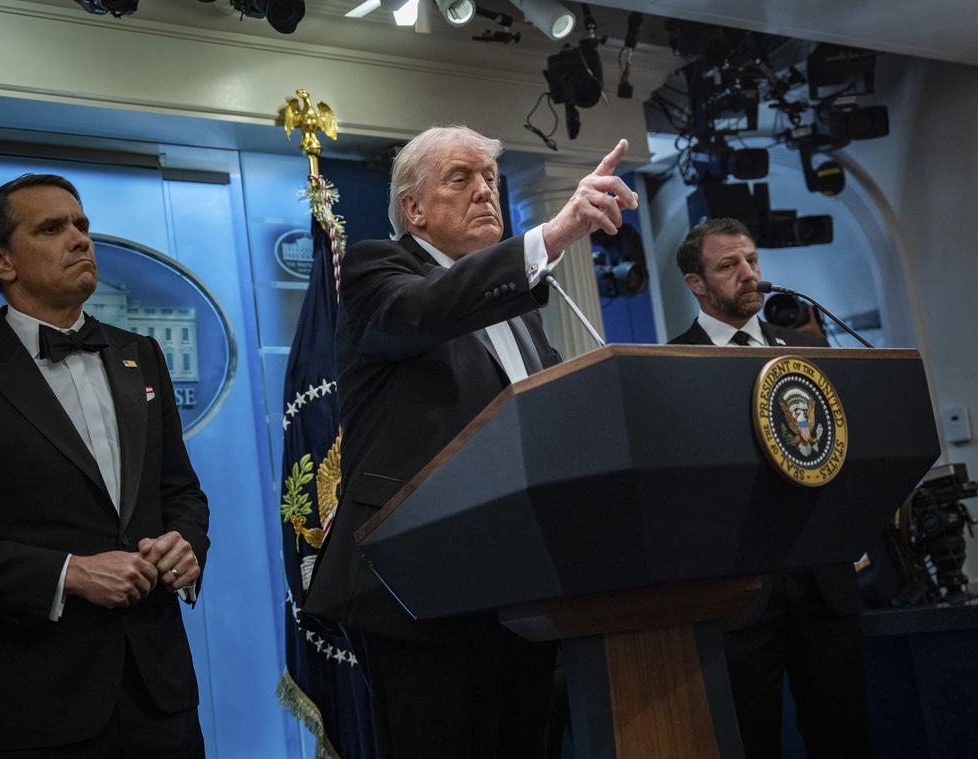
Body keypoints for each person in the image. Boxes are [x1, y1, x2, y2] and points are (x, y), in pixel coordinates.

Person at [304, 125, 638, 758]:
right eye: (461, 179)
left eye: (490, 178)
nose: (486, 191)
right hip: (419, 587)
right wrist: (554, 235)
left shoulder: (517, 305)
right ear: (414, 210)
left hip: (522, 584)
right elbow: (430, 307)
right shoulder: (380, 270)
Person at [0, 174, 210, 758]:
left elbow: (180, 491)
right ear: (1, 260)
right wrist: (70, 574)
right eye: (52, 228)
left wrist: (184, 544)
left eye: (82, 225)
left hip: (159, 698)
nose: (80, 239)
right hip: (30, 707)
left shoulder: (142, 355)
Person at [669, 217, 869, 759]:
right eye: (728, 266)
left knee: (843, 736)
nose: (749, 274)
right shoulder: (673, 364)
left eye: (752, 261)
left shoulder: (806, 347)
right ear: (697, 284)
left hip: (822, 580)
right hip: (740, 588)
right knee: (749, 741)